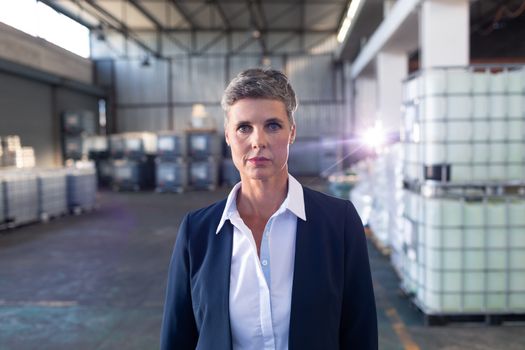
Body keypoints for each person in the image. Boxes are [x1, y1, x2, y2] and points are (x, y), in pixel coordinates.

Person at [160, 68, 377, 350]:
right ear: (228, 136)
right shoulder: (197, 232)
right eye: (244, 127)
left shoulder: (339, 223)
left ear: (292, 133)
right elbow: (177, 338)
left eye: (273, 125)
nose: (258, 141)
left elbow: (360, 334)